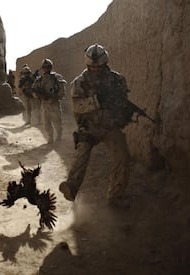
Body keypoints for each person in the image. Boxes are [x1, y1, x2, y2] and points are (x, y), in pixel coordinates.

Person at [59, 43, 132, 207]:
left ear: (105, 63)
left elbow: (123, 101)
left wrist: (120, 109)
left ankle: (115, 196)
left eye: (98, 67)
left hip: (110, 126)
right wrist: (97, 101)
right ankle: (72, 186)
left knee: (123, 157)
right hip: (90, 125)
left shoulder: (117, 79)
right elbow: (77, 105)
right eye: (92, 67)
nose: (95, 70)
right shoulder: (80, 82)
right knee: (82, 151)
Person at [32, 59, 66, 144]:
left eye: (48, 67)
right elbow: (34, 91)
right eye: (44, 67)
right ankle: (50, 137)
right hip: (44, 104)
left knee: (57, 121)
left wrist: (55, 98)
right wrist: (39, 96)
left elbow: (62, 91)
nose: (46, 69)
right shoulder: (39, 79)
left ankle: (58, 136)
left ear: (51, 67)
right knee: (46, 122)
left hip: (54, 103)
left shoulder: (57, 77)